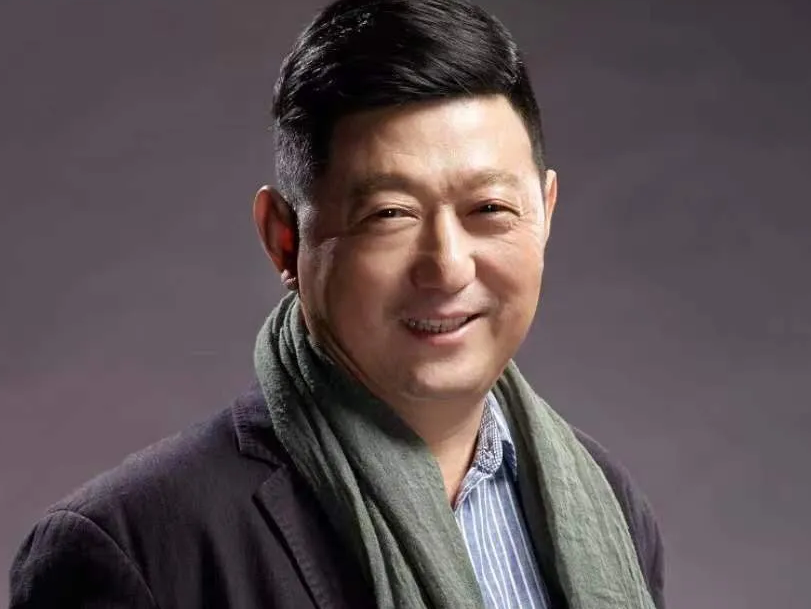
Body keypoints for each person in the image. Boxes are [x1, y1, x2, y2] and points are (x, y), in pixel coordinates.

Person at [9, 0, 665, 607]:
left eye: (489, 209)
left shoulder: (606, 505)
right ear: (283, 238)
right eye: (389, 214)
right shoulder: (135, 548)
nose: (447, 266)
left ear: (544, 213)